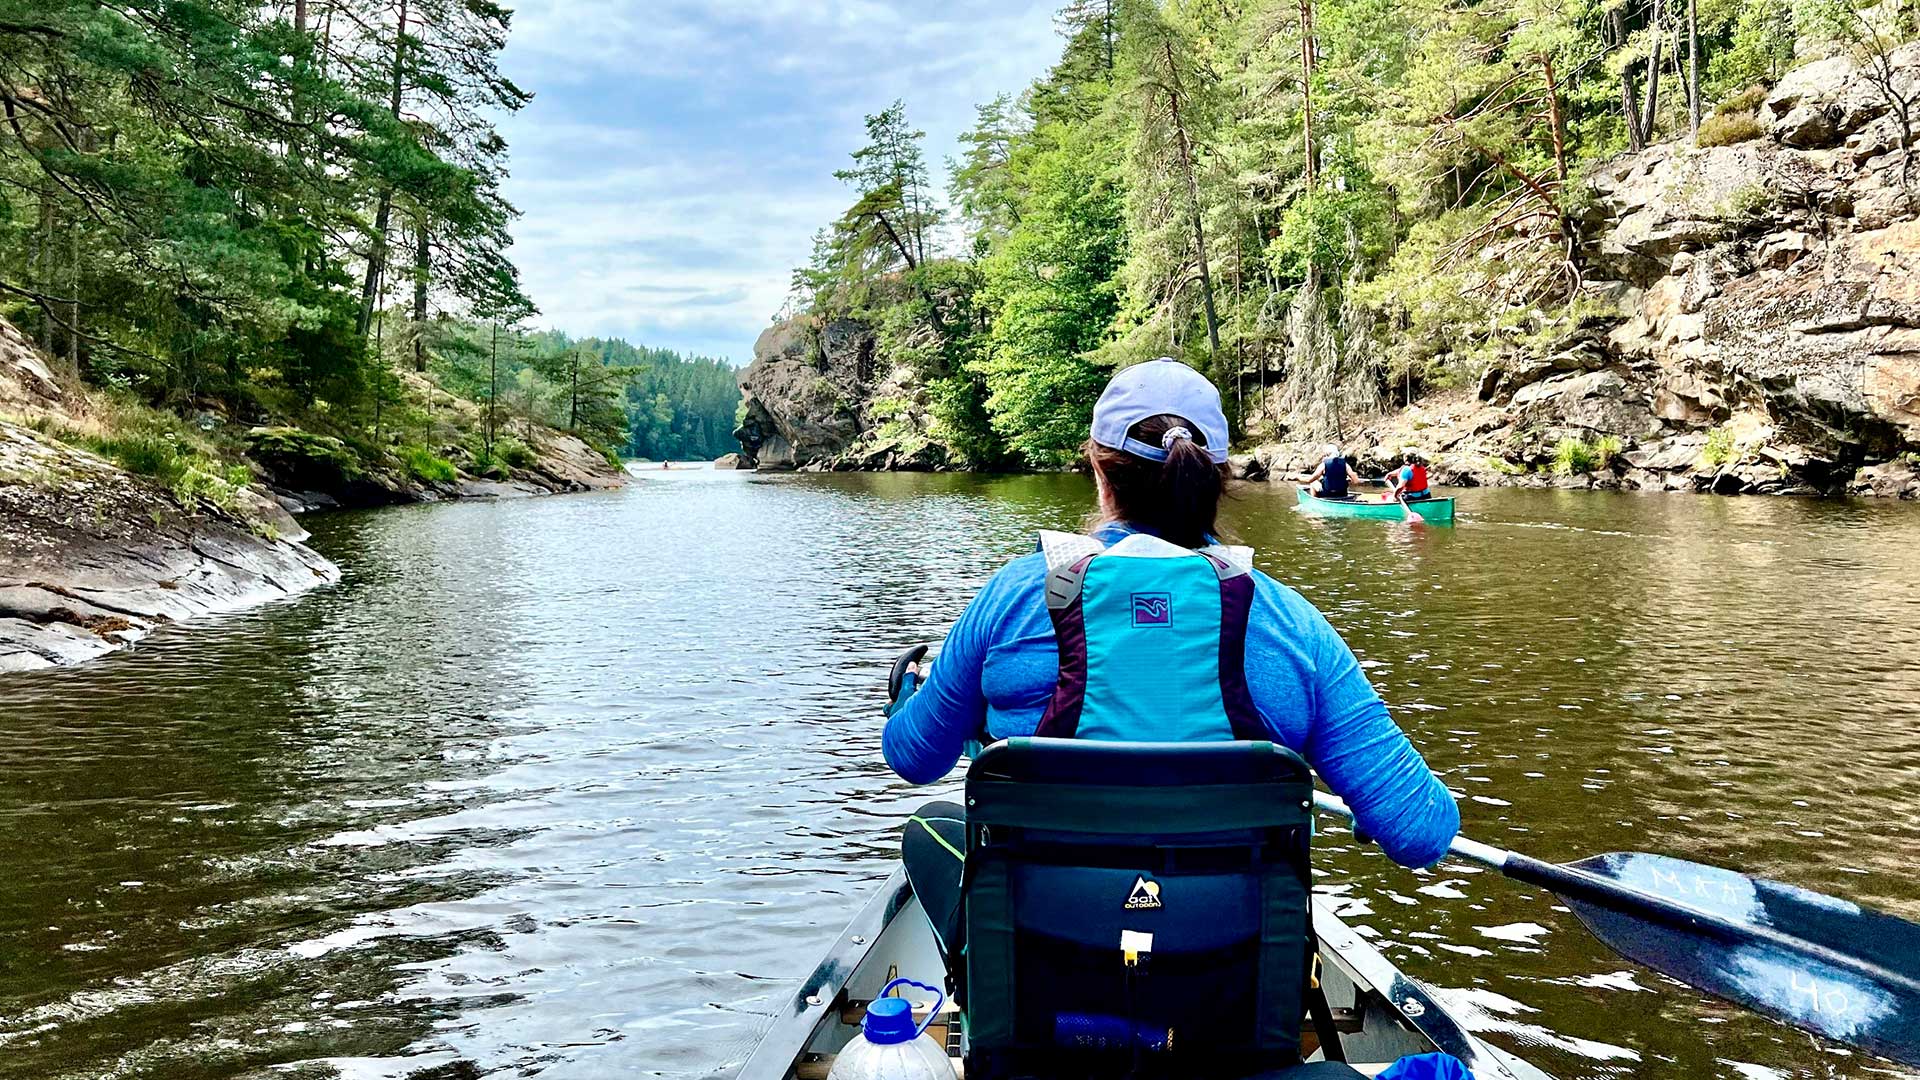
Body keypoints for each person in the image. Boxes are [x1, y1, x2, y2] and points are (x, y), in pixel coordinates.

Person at [882, 358, 1459, 988]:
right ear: (1219, 479)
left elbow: (915, 757)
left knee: (930, 828)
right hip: (1223, 990)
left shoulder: (1015, 598)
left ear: (1100, 472)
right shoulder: (1293, 625)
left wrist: (912, 697)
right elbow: (1421, 832)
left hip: (1048, 975)